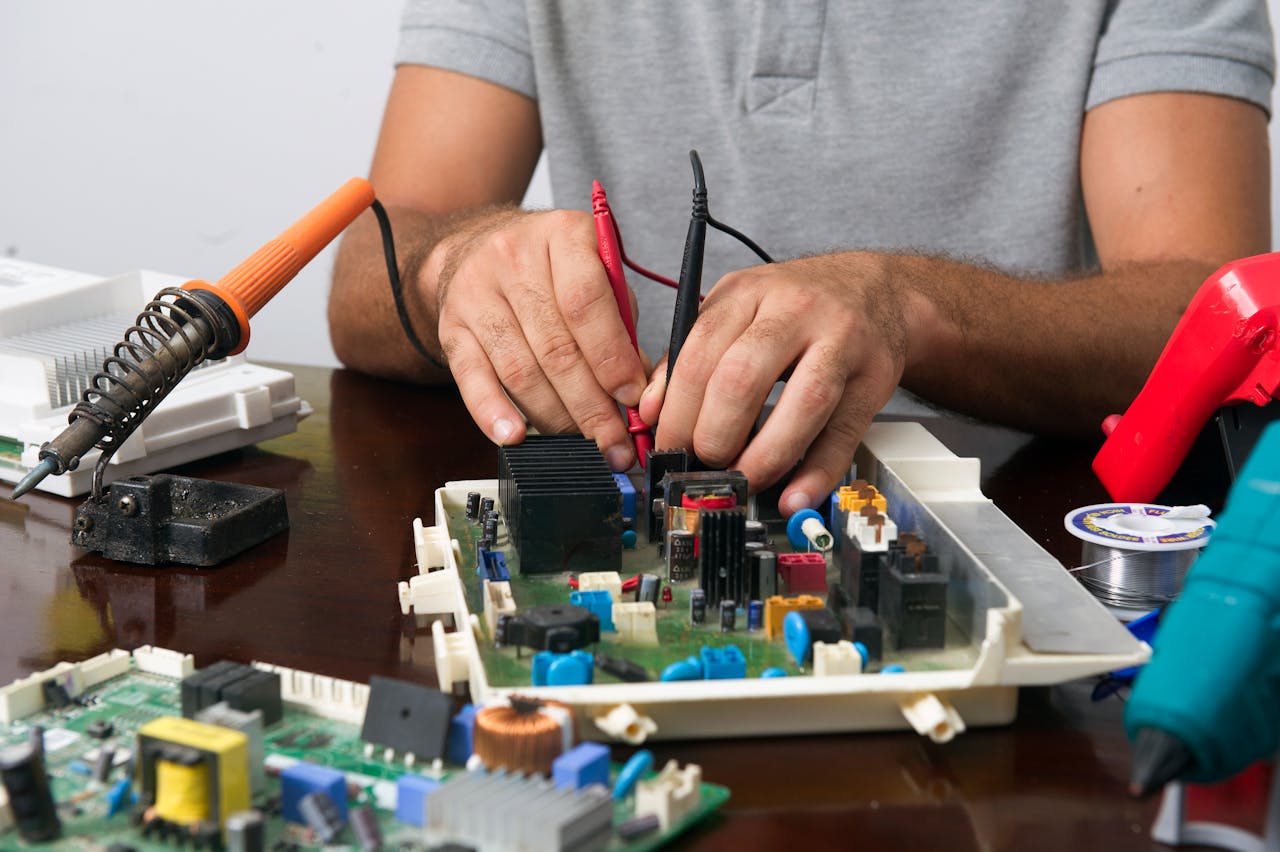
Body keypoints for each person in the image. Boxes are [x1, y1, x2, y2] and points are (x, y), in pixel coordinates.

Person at [329, 2, 1274, 517]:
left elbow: (1219, 316)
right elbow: (365, 283)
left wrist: (909, 308)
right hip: (624, 530)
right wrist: (453, 268)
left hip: (995, 531)